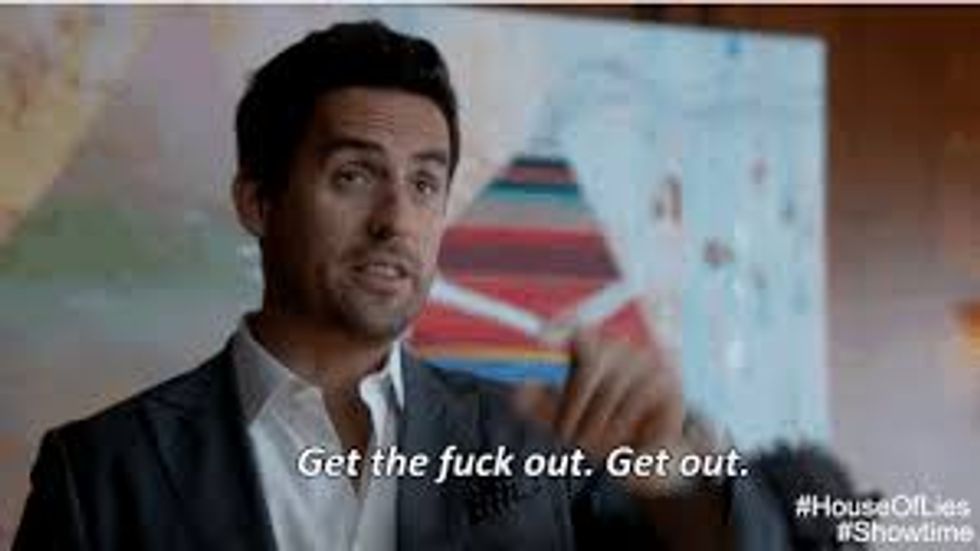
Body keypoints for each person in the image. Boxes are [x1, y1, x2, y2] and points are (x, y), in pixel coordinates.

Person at [13, 21, 791, 550]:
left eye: (425, 184)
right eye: (354, 175)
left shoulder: (541, 445)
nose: (396, 220)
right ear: (258, 201)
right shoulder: (98, 470)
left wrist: (676, 474)